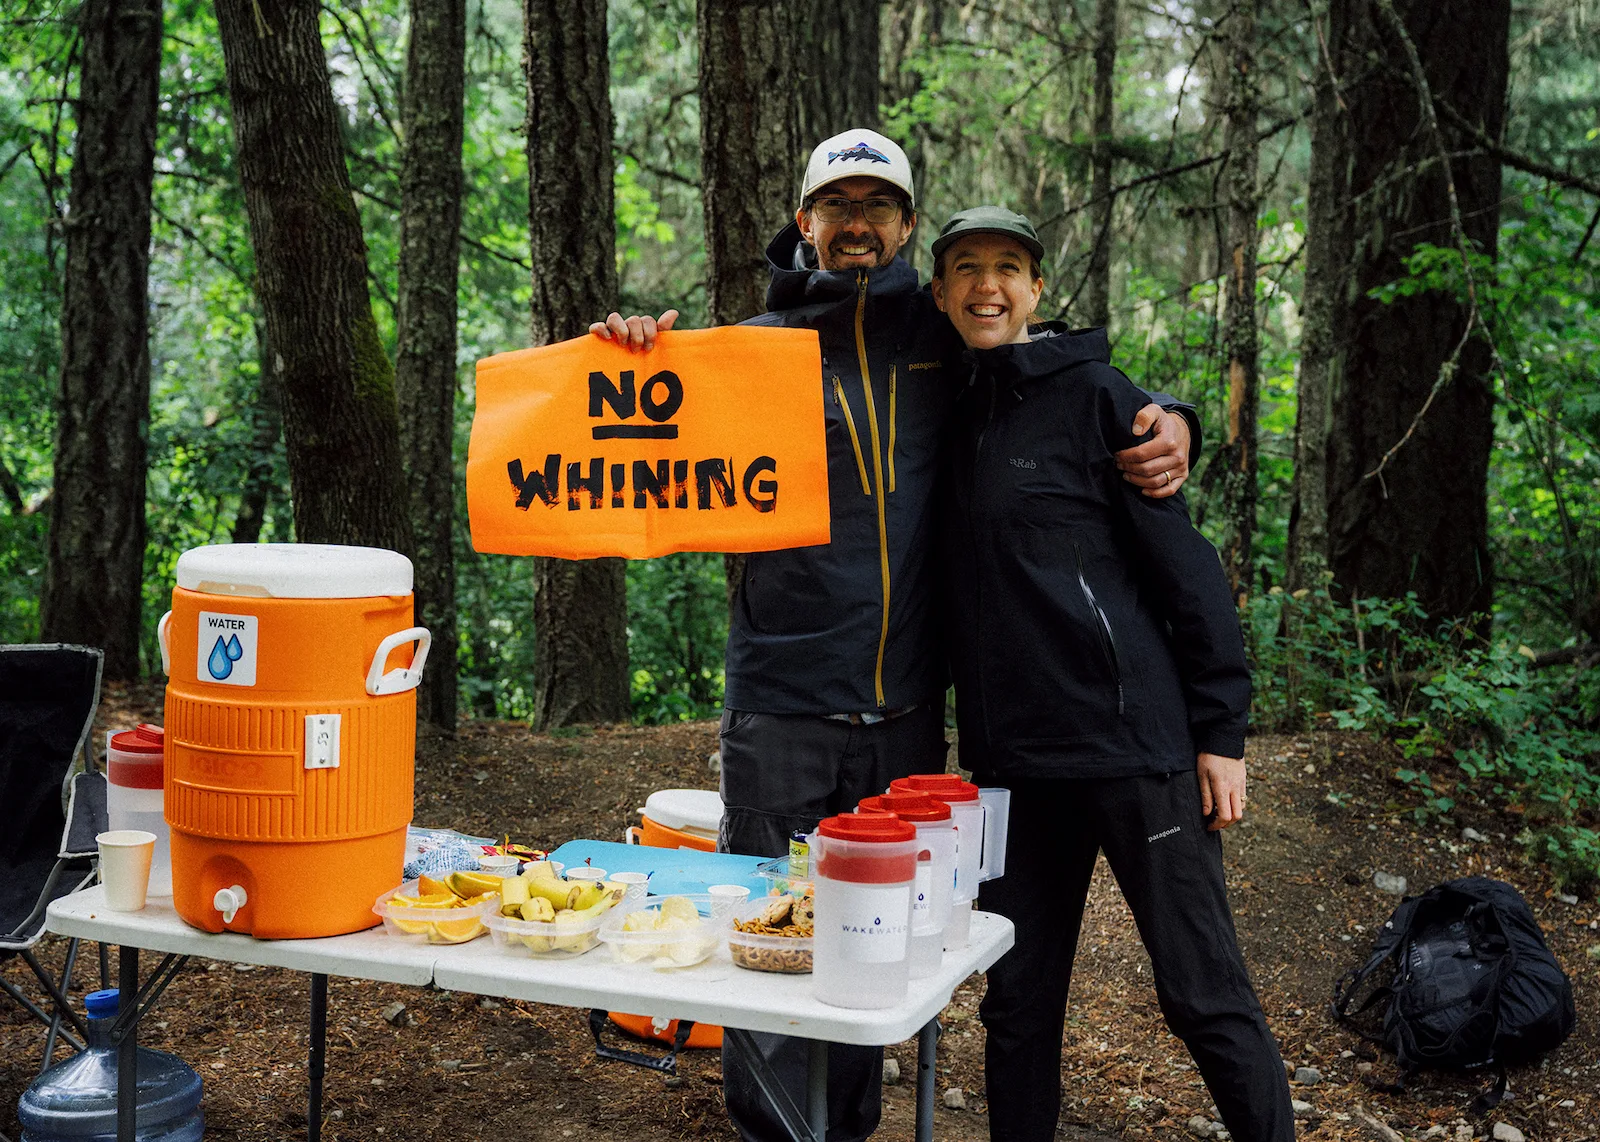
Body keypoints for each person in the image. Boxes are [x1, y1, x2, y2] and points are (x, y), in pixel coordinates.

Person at [591, 130, 1196, 1142]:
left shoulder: (945, 337)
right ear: (806, 224)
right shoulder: (742, 350)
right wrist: (621, 355)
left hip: (906, 718)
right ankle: (776, 1130)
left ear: (907, 226)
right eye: (839, 205)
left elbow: (1064, 381)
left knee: (867, 946)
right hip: (781, 704)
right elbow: (637, 433)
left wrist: (1171, 413)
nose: (858, 223)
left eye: (879, 206)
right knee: (768, 942)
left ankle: (853, 1126)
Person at [929, 205, 1295, 1142]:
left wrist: (1221, 732)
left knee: (1201, 994)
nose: (986, 286)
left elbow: (1190, 572)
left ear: (1038, 289)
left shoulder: (1095, 394)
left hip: (1133, 751)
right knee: (1015, 1003)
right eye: (965, 268)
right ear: (938, 291)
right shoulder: (951, 407)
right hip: (1015, 767)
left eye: (1007, 267)